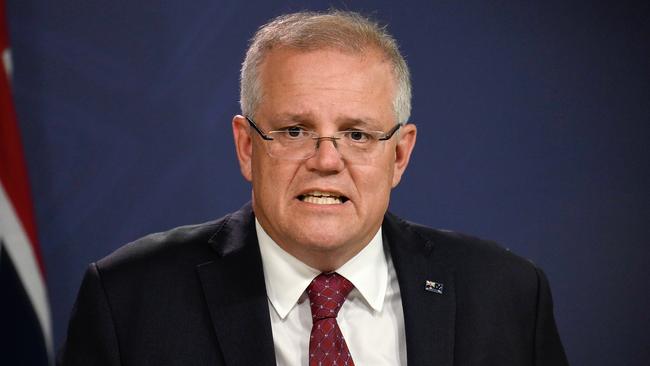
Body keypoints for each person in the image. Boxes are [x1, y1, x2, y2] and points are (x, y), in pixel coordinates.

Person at [58, 10, 568, 366]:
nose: (327, 160)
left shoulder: (507, 296)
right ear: (246, 147)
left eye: (357, 134)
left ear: (399, 154)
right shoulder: (129, 299)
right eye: (295, 131)